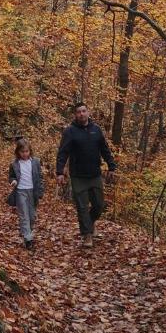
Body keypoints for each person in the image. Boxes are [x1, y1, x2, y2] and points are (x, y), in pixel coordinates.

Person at [56, 102, 116, 247]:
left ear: (88, 112)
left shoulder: (96, 130)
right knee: (82, 207)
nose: (81, 114)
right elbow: (63, 153)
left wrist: (111, 166)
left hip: (95, 174)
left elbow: (105, 149)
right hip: (78, 176)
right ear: (75, 115)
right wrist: (60, 172)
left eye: (84, 111)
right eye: (78, 112)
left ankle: (90, 223)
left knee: (99, 205)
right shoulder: (70, 131)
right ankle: (87, 235)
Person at [9, 138, 44, 249]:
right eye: (22, 152)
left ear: (30, 151)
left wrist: (40, 191)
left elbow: (40, 177)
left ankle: (27, 232)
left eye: (27, 151)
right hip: (20, 191)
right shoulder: (14, 164)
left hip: (32, 192)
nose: (25, 154)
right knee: (24, 215)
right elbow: (11, 176)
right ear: (18, 152)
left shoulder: (35, 162)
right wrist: (13, 181)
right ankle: (28, 239)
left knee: (32, 216)